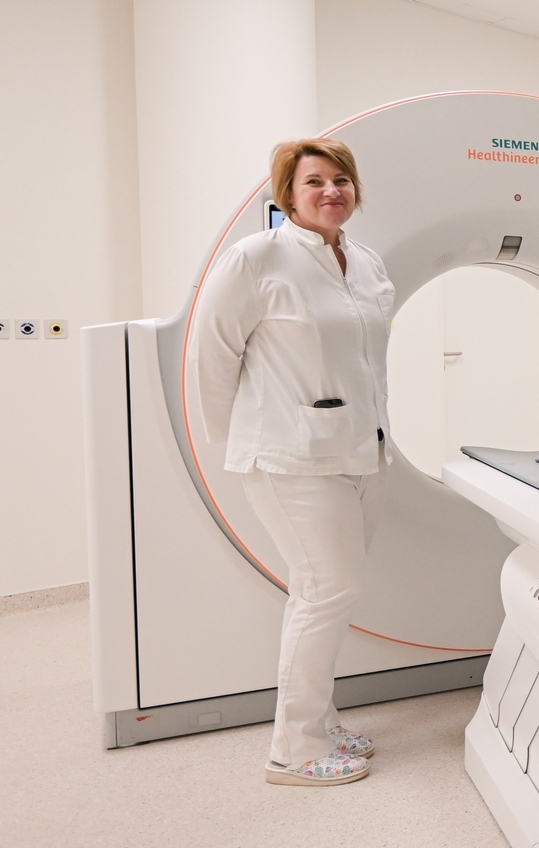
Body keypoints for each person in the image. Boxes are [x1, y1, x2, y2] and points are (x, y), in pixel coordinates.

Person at [195, 139, 396, 786]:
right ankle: (294, 750)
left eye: (341, 179)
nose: (331, 190)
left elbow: (366, 358)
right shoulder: (257, 258)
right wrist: (237, 439)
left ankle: (321, 722)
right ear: (287, 193)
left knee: (327, 593)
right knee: (328, 590)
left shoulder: (364, 260)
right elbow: (212, 353)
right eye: (314, 181)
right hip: (291, 455)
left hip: (363, 449)